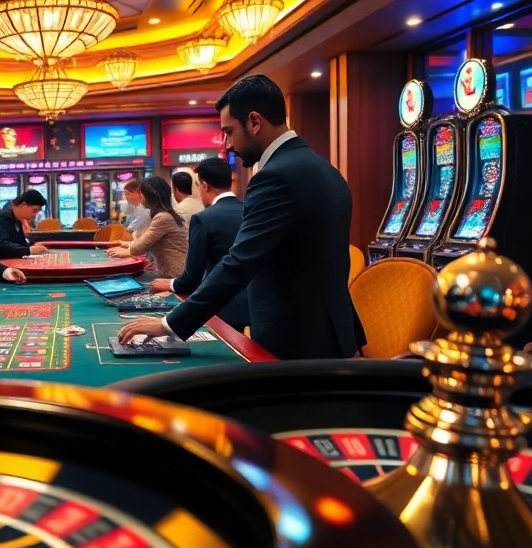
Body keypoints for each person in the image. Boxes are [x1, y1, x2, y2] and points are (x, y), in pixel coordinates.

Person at [120, 74, 366, 360]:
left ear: (254, 121)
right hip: (332, 334)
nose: (226, 144)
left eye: (229, 131)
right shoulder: (325, 169)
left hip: (297, 341)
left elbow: (239, 263)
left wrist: (169, 323)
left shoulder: (275, 176)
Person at [151, 157, 250, 330]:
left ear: (204, 186)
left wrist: (171, 284)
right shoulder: (251, 210)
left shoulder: (204, 218)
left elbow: (192, 276)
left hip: (220, 307)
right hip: (255, 305)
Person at [106, 175, 188, 279]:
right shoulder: (163, 215)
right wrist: (127, 245)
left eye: (142, 194)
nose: (141, 198)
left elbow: (139, 247)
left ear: (150, 196)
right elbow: (146, 241)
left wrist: (126, 251)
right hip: (169, 273)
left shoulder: (163, 217)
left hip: (174, 276)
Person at [0, 189, 49, 258]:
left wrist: (32, 246)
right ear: (23, 205)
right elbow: (1, 245)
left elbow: (20, 244)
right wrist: (29, 250)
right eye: (34, 210)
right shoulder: (3, 218)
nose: (35, 214)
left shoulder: (17, 219)